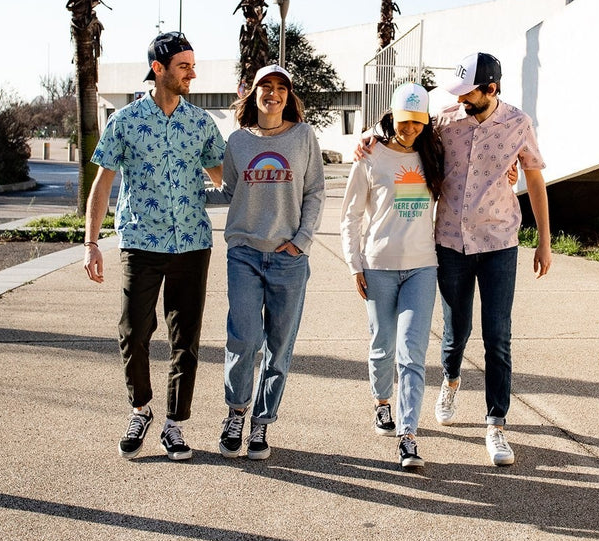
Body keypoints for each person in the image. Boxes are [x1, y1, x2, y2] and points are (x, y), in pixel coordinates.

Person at [83, 31, 226, 462]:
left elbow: (227, 177)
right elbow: (103, 183)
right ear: (159, 69)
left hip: (192, 244)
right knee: (133, 331)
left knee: (186, 338)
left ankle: (175, 425)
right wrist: (91, 242)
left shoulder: (201, 124)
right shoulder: (125, 120)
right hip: (141, 242)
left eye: (193, 65)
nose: (193, 73)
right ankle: (141, 409)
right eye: (184, 66)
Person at [213, 64, 325, 461]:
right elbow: (229, 191)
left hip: (287, 259)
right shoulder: (238, 141)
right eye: (266, 86)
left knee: (279, 345)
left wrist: (301, 242)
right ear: (254, 94)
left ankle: (262, 422)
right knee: (243, 339)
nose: (273, 93)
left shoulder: (303, 136)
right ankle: (236, 413)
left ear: (288, 96)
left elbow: (314, 192)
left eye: (280, 88)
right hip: (243, 252)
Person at [339, 82, 445, 471]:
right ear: (393, 116)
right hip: (379, 265)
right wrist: (354, 263)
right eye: (405, 121)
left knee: (411, 353)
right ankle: (382, 402)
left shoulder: (433, 154)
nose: (411, 129)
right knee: (382, 344)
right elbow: (349, 215)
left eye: (419, 123)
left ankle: (408, 436)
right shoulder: (370, 156)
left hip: (422, 266)